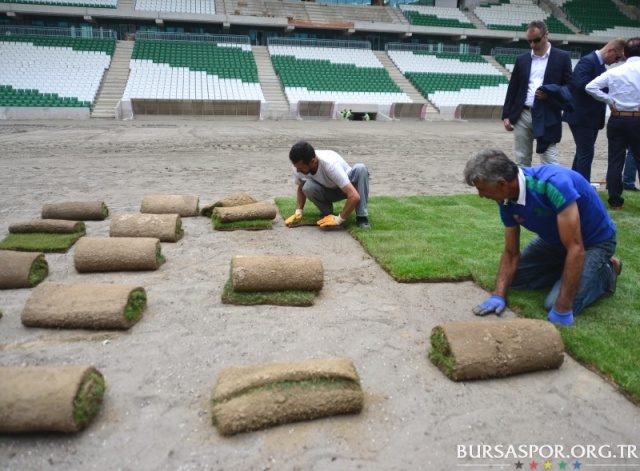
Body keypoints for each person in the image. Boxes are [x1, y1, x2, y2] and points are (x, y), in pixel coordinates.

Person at [463, 149, 621, 327]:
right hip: (555, 242)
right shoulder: (505, 200)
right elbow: (510, 252)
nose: (481, 195)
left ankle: (608, 270)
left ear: (502, 184)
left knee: (553, 303)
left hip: (593, 243)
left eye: (482, 189)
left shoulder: (553, 184)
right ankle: (566, 268)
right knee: (513, 279)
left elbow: (576, 248)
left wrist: (562, 309)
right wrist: (498, 295)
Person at [502, 20, 574, 167]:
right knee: (521, 159)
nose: (532, 44)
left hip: (548, 113)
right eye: (529, 41)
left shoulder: (562, 57)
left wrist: (551, 95)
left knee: (549, 159)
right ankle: (524, 190)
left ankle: (550, 189)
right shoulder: (522, 59)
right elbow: (513, 88)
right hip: (523, 113)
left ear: (546, 35)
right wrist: (506, 115)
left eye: (536, 40)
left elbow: (570, 86)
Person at [585, 37, 640, 210]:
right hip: (637, 118)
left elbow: (590, 87)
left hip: (617, 118)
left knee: (615, 159)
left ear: (624, 53)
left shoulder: (614, 71)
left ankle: (615, 200)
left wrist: (609, 100)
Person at [563, 38, 625, 183]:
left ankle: (575, 184)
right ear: (610, 50)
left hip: (589, 118)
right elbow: (581, 84)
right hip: (581, 116)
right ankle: (584, 188)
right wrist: (606, 94)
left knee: (582, 153)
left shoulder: (599, 65)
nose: (616, 61)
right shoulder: (588, 62)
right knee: (586, 154)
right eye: (617, 57)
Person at [284, 140, 371, 230]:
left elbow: (354, 196)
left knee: (361, 168)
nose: (298, 171)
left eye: (301, 168)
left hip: (348, 188)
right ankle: (327, 213)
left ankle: (362, 217)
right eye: (296, 167)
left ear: (313, 161)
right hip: (328, 190)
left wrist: (339, 219)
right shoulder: (298, 167)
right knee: (307, 186)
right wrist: (298, 211)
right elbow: (301, 187)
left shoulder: (330, 165)